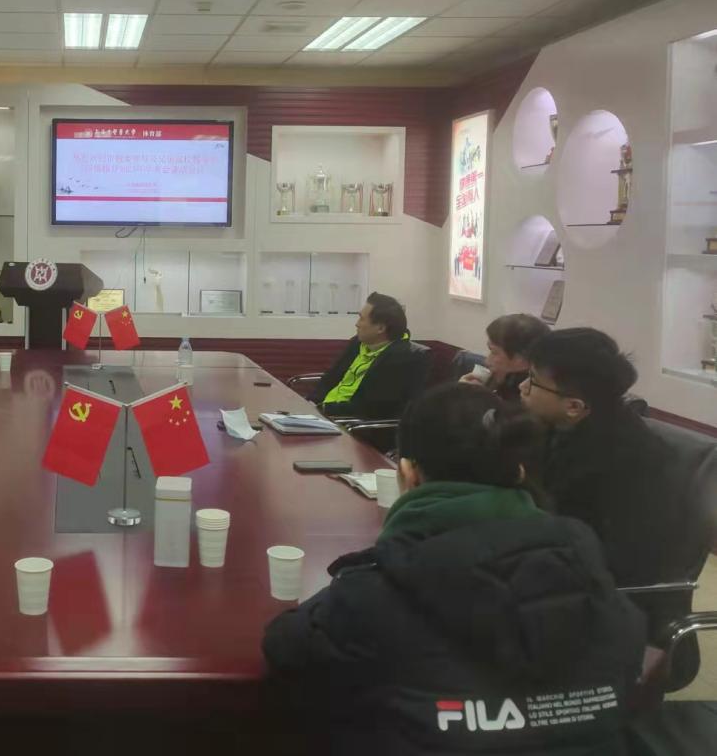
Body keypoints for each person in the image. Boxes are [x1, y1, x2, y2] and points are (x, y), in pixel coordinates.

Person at [263, 382, 646, 756]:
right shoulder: (597, 583)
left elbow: (285, 647)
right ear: (518, 473)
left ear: (408, 474)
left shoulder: (372, 596)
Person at [522, 328, 697, 638]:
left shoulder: (630, 462)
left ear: (574, 406)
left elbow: (618, 562)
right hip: (562, 574)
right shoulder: (567, 427)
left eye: (533, 380)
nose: (523, 387)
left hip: (609, 607)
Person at [308, 291, 430, 420]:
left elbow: (372, 407)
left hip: (349, 422)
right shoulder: (358, 343)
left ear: (380, 328)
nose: (357, 324)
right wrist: (311, 401)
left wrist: (324, 408)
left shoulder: (403, 357)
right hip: (323, 413)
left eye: (361, 318)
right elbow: (331, 377)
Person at [460, 313, 549, 402]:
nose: (487, 361)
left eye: (494, 352)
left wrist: (464, 396)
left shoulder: (529, 401)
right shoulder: (508, 379)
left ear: (521, 360)